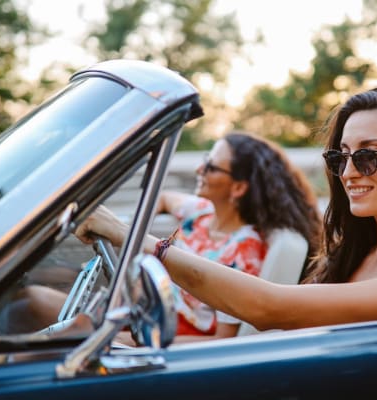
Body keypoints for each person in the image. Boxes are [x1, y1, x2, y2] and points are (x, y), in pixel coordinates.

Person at [114, 85, 377, 332]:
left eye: (368, 155)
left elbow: (268, 307)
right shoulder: (354, 254)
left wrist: (136, 240)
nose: (349, 173)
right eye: (341, 157)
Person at [75, 131, 322, 342]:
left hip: (163, 336)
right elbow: (163, 198)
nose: (199, 169)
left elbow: (222, 341)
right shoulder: (200, 211)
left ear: (237, 187)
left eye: (211, 167)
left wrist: (131, 342)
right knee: (38, 299)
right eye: (205, 160)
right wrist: (133, 225)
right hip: (138, 312)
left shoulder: (245, 253)